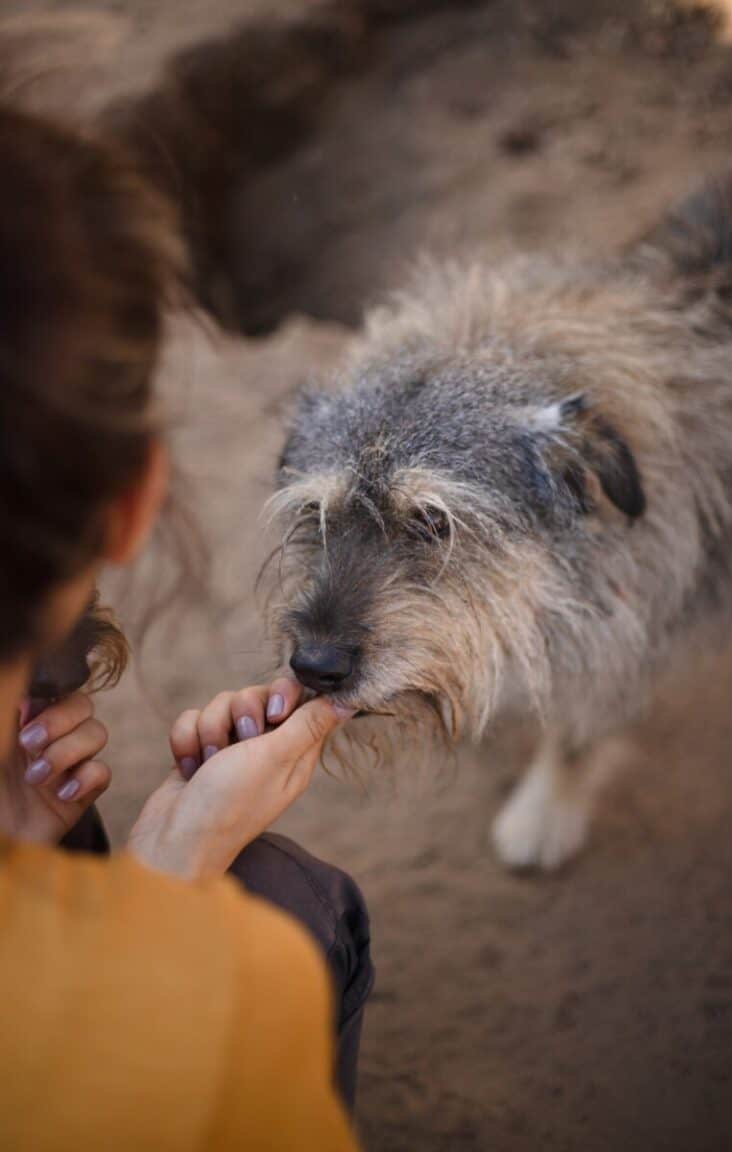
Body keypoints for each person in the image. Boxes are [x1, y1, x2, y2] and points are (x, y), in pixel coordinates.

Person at [0, 103, 372, 1149]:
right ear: (132, 501)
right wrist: (171, 866)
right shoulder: (232, 994)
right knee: (292, 900)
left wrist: (20, 854)